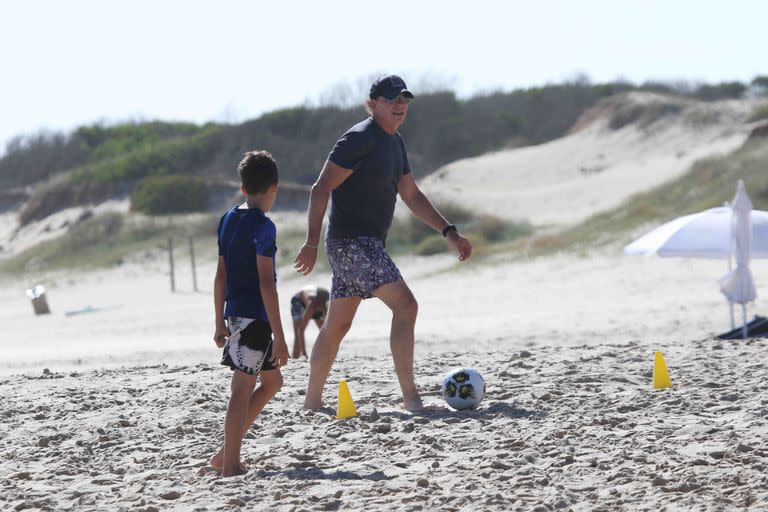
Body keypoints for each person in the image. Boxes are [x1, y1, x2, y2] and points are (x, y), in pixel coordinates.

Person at [293, 74, 472, 412]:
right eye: (391, 100)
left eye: (403, 99)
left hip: (363, 244)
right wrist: (310, 243)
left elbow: (411, 195)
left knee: (337, 324)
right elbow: (320, 189)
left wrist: (449, 231)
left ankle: (312, 404)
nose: (399, 105)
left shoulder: (395, 143)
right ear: (373, 103)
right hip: (352, 244)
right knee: (406, 307)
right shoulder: (358, 139)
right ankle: (411, 400)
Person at [211, 150, 289, 477]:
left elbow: (220, 275)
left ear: (243, 188)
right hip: (255, 319)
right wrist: (282, 338)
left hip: (235, 315)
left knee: (272, 382)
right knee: (242, 390)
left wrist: (218, 322)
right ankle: (230, 465)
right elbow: (266, 285)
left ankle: (223, 454)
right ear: (274, 187)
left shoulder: (228, 219)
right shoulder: (264, 227)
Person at [290, 285, 330, 359]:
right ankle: (295, 358)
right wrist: (304, 353)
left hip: (318, 297)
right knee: (297, 334)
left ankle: (326, 353)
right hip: (298, 300)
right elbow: (301, 330)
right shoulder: (311, 306)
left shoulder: (327, 301)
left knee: (325, 331)